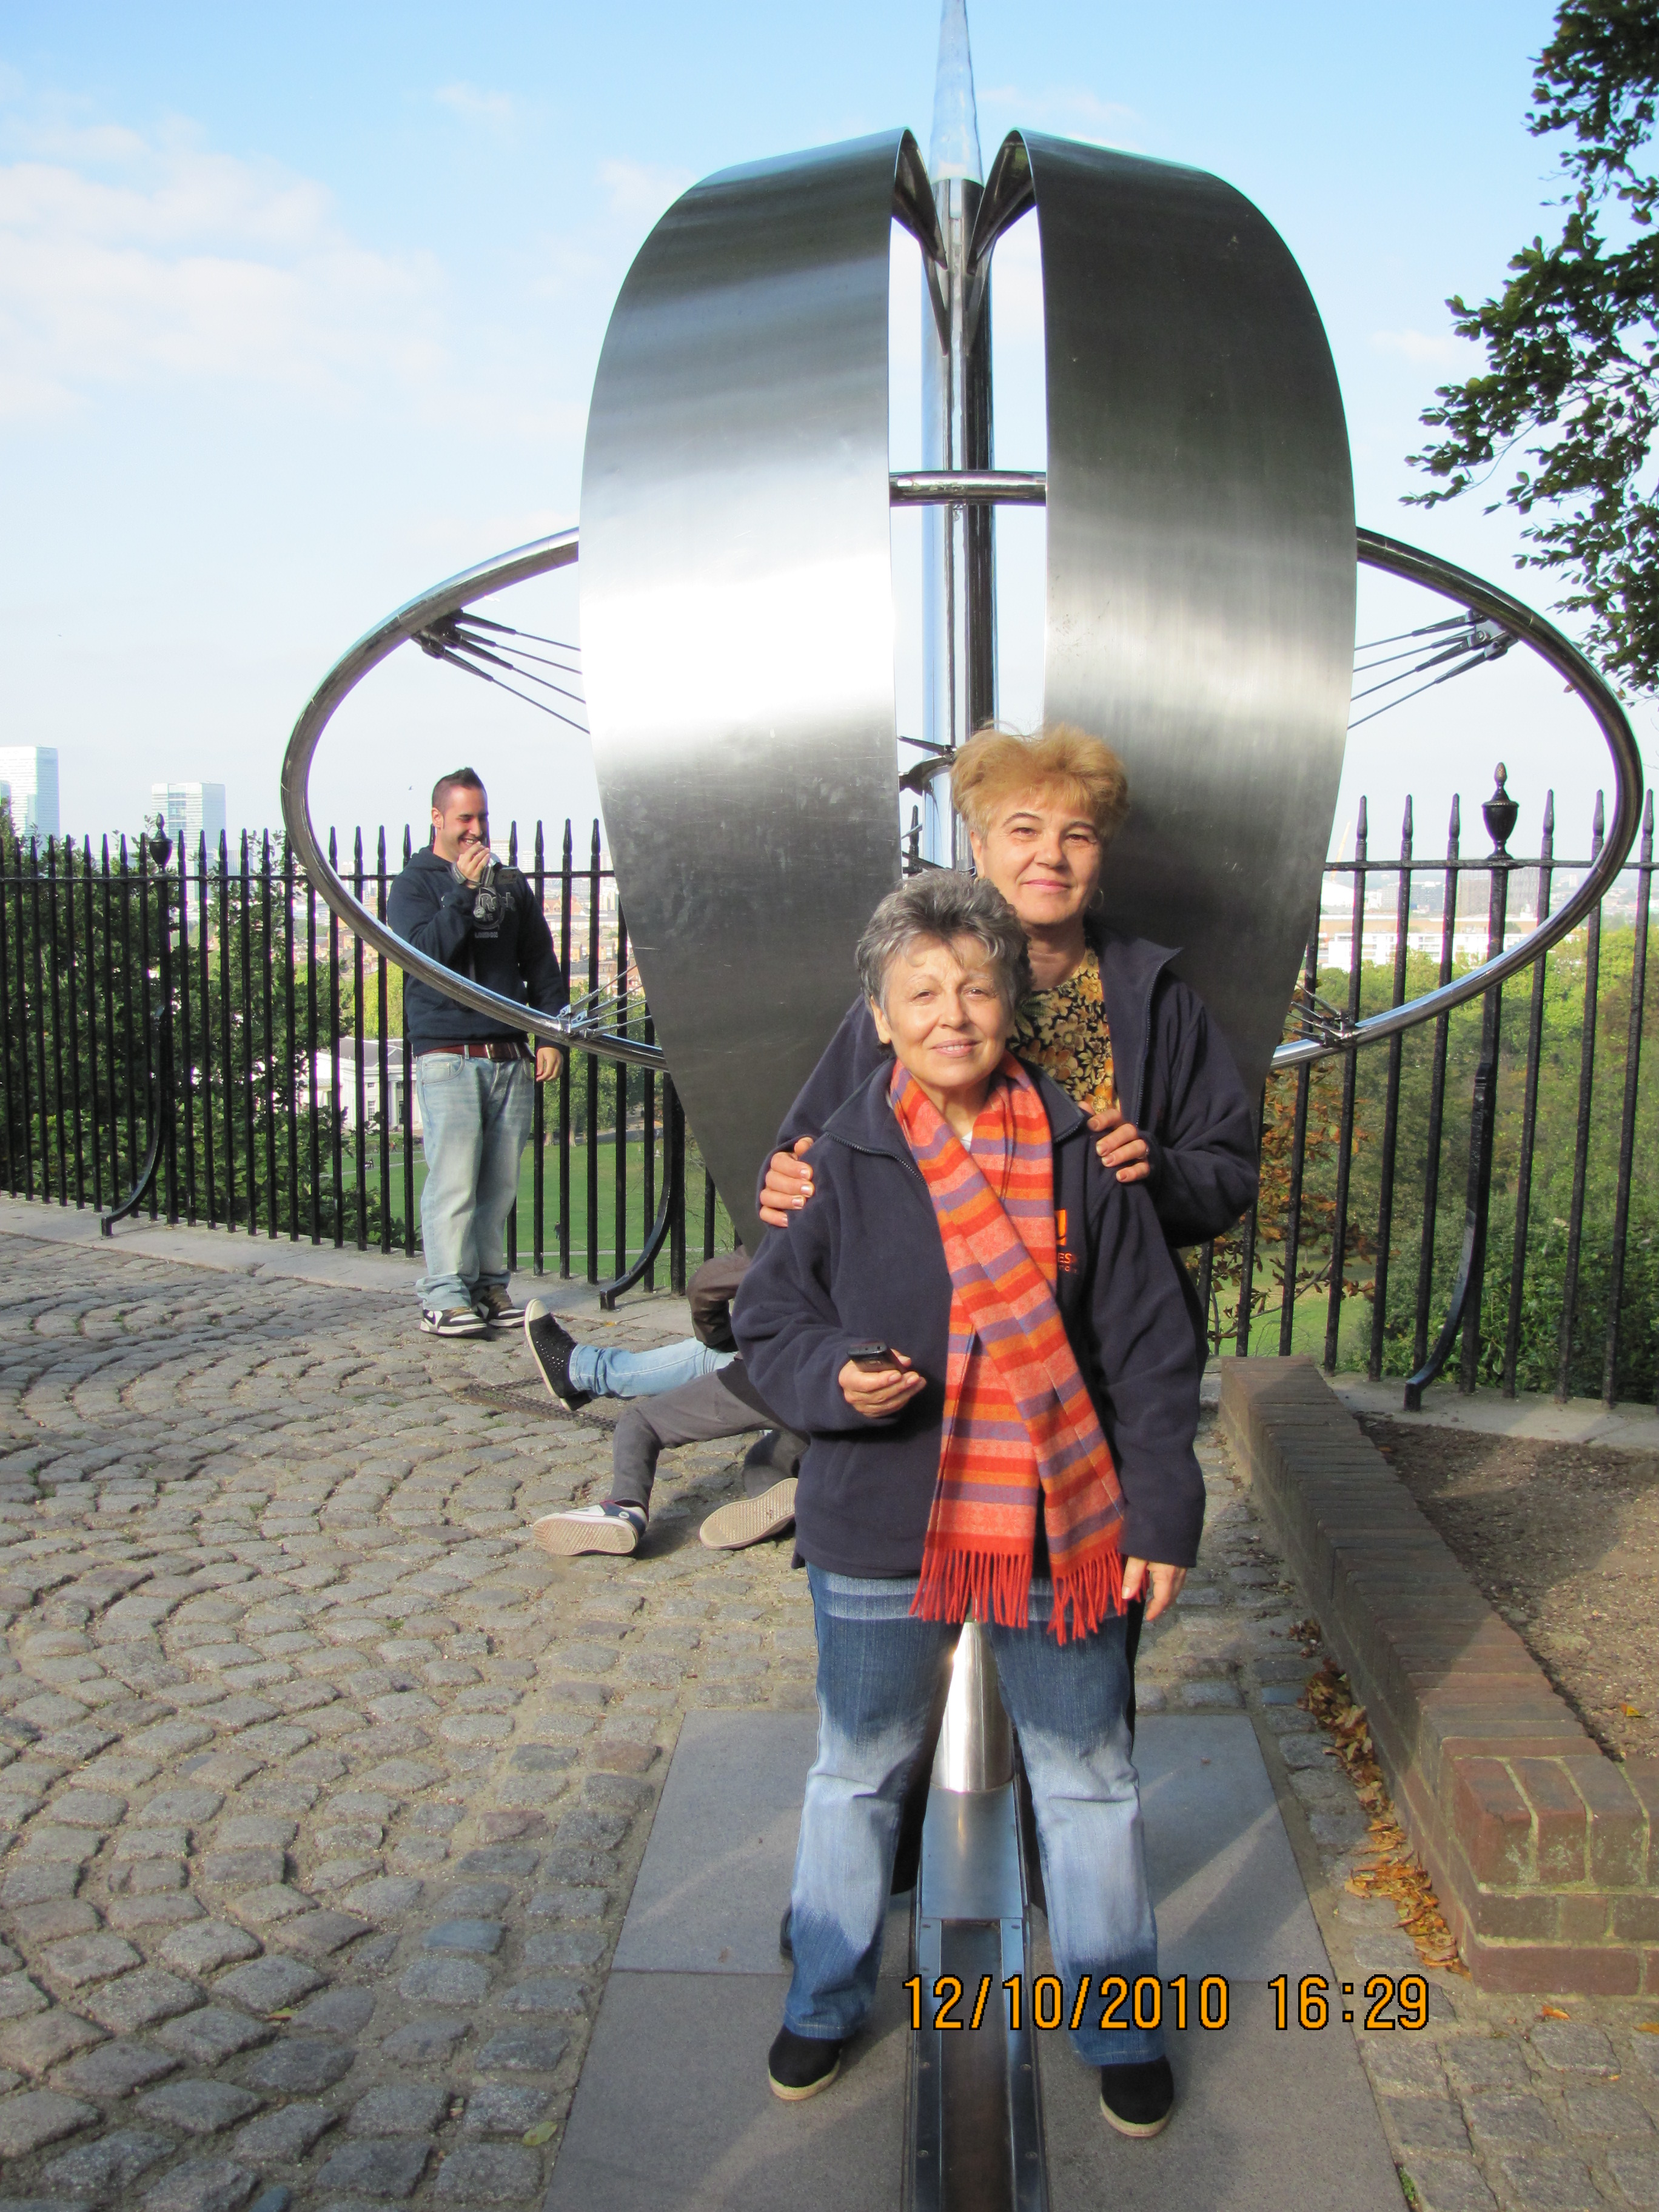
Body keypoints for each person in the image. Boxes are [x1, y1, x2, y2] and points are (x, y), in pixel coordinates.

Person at [734, 874, 1204, 2135]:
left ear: (1011, 1006)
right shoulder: (834, 1159)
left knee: (1088, 1776)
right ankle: (824, 1994)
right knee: (857, 1771)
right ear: (881, 1017)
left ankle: (1119, 2016)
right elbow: (768, 1322)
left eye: (977, 988)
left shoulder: (1082, 1155)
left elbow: (1152, 1352)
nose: (952, 1015)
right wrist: (836, 1380)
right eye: (923, 993)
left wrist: (1162, 1514)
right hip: (877, 1519)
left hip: (1062, 1524)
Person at [387, 768, 565, 1336]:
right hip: (449, 1052)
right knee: (455, 1181)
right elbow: (423, 958)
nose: (476, 829)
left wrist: (550, 1035)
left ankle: (489, 1286)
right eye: (465, 818)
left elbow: (540, 962)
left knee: (498, 1186)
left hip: (508, 1052)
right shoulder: (413, 886)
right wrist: (462, 894)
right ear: (437, 818)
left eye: (482, 817)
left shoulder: (510, 883)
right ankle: (443, 1294)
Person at [525, 1254, 806, 1558]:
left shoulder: (795, 1226)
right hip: (836, 1388)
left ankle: (624, 1506)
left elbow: (706, 1285)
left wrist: (722, 1336)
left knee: (641, 1421)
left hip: (776, 1374)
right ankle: (790, 1494)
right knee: (764, 1457)